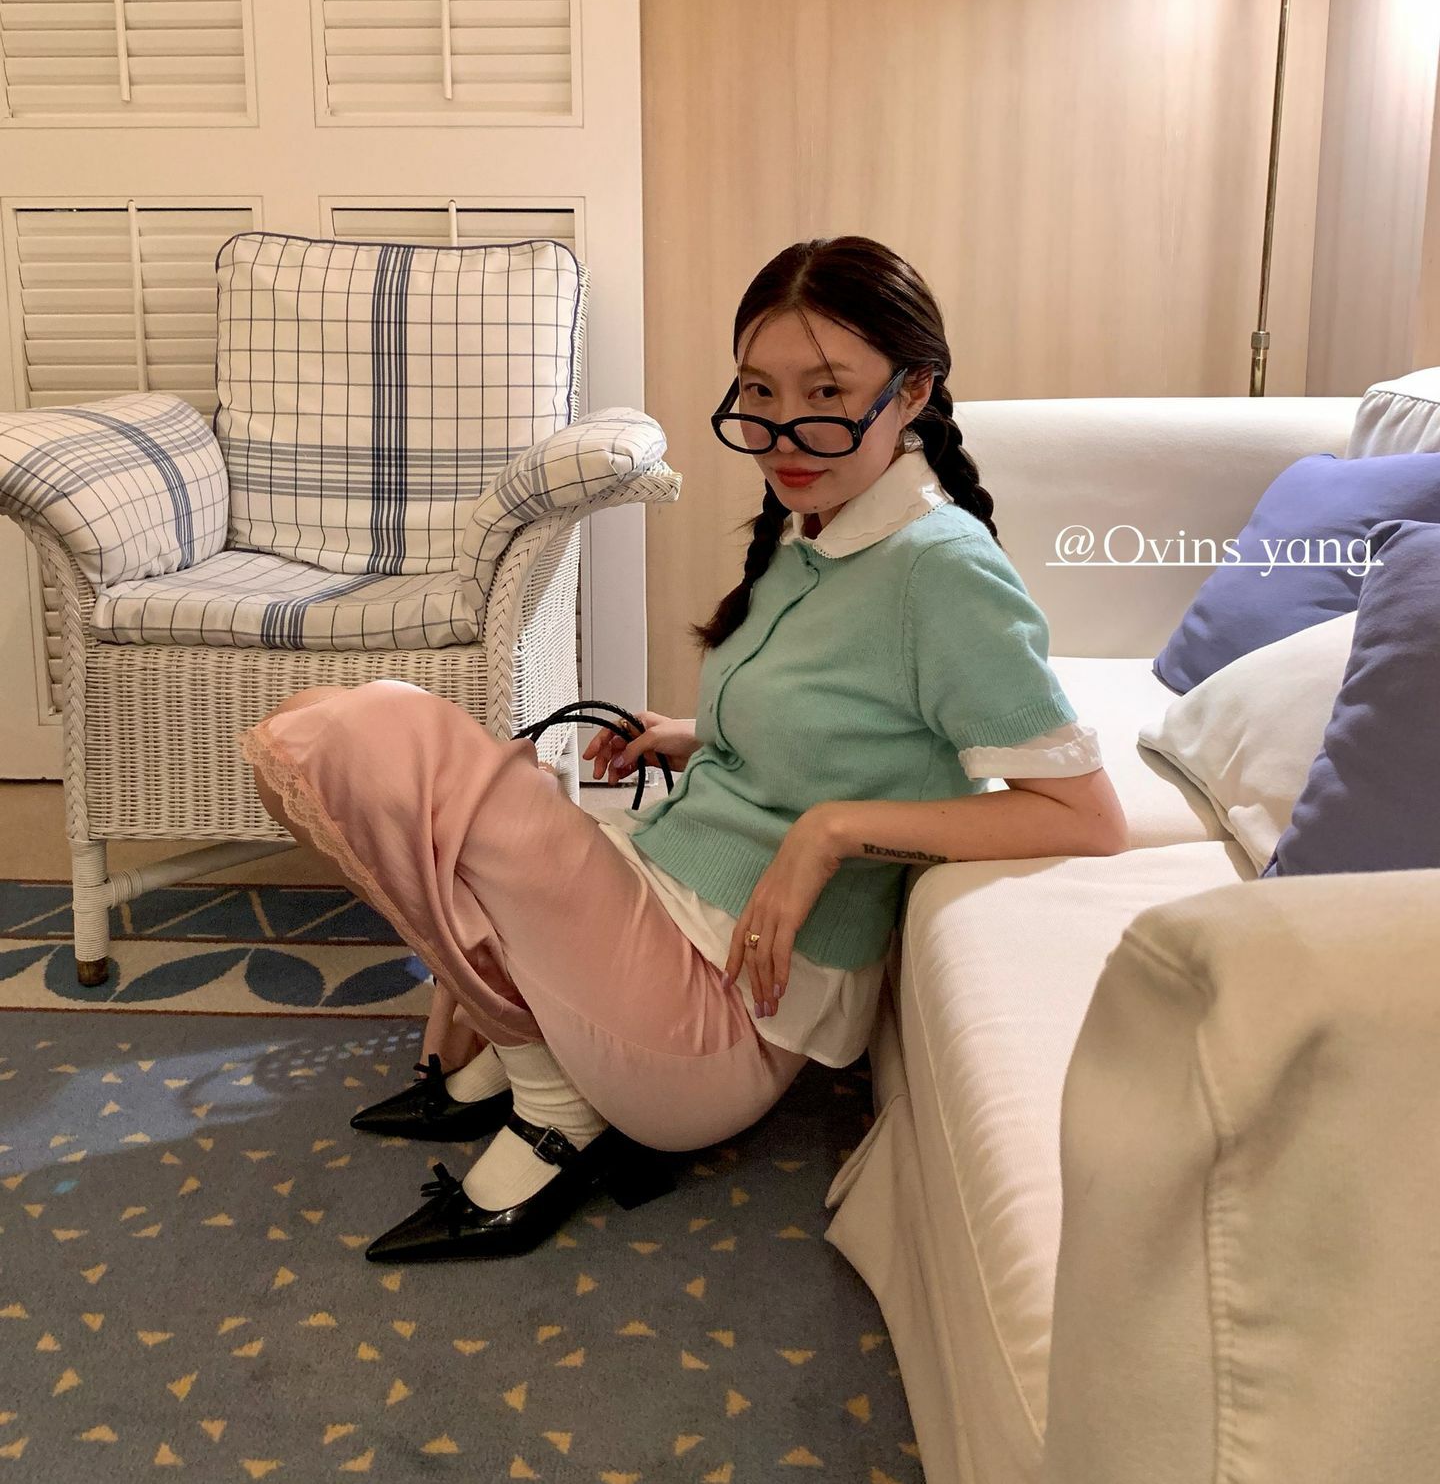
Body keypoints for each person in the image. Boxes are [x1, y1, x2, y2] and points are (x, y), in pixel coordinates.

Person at [242, 235, 1127, 1265]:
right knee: (340, 759)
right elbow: (855, 708)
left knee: (373, 741)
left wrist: (830, 832)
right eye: (758, 391)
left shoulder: (942, 571)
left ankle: (556, 1099)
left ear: (914, 389)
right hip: (664, 905)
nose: (783, 433)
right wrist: (696, 730)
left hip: (720, 1018)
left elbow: (1083, 814)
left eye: (827, 393)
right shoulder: (817, 518)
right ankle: (548, 1065)